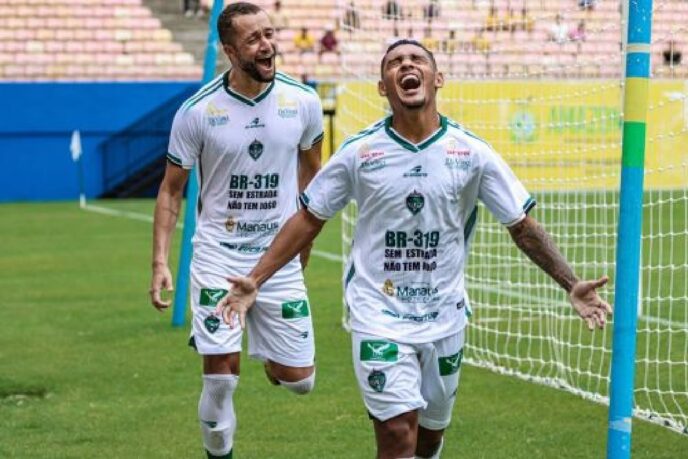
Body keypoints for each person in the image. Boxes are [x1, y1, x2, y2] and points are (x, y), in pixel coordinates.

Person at [214, 39, 612, 459]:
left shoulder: (472, 153)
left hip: (445, 318)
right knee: (397, 435)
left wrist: (570, 283)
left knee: (428, 439)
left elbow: (521, 225)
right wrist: (255, 280)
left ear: (437, 78)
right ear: (384, 87)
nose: (407, 65)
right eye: (394, 63)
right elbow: (309, 217)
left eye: (417, 60)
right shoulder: (359, 152)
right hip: (377, 315)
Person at [149, 3, 324, 458]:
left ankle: (270, 354)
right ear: (228, 50)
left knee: (301, 382)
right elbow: (171, 191)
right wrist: (160, 263)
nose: (267, 46)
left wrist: (304, 241)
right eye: (253, 39)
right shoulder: (197, 112)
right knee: (221, 376)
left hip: (277, 257)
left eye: (270, 34)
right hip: (218, 256)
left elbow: (313, 176)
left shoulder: (303, 102)